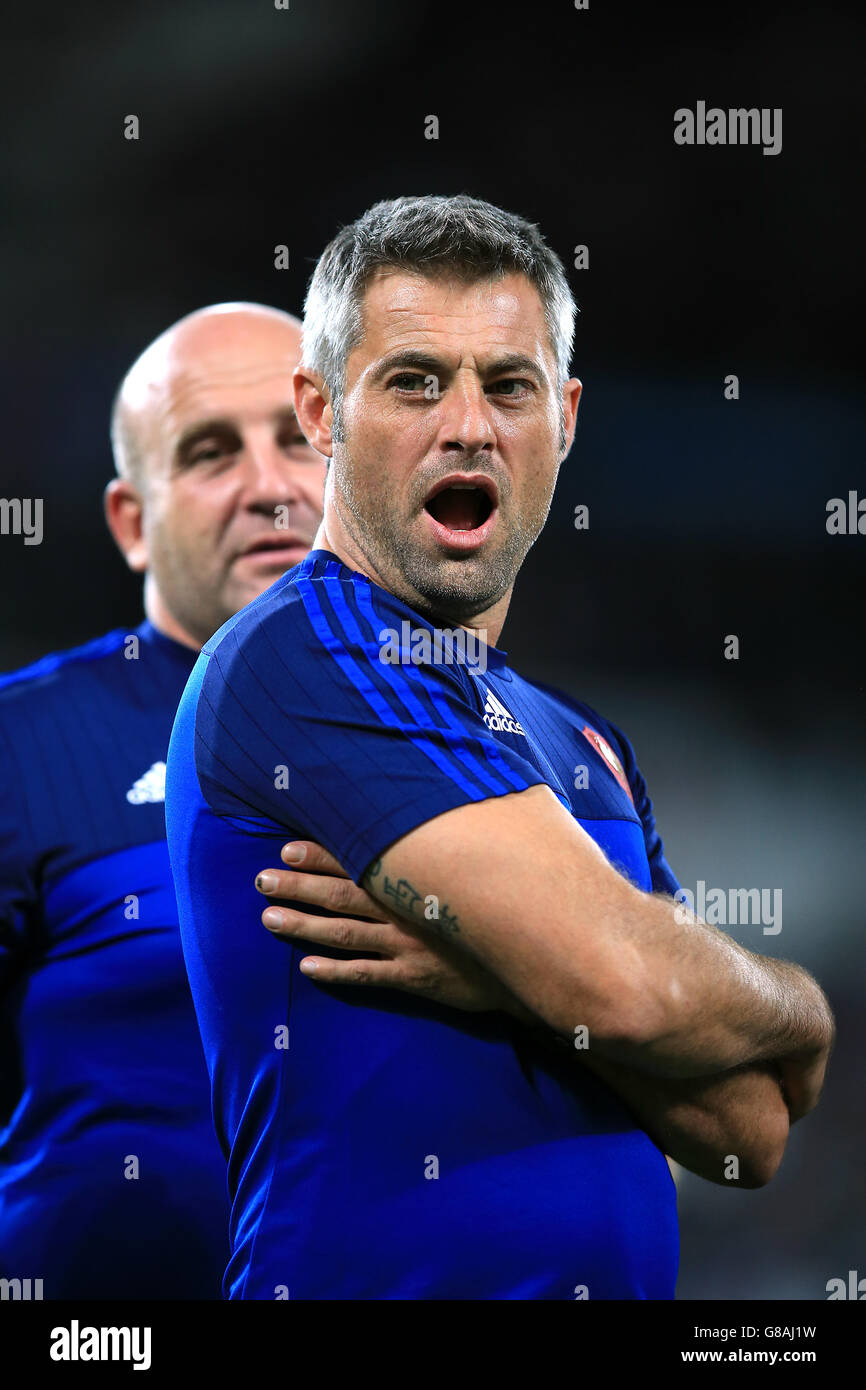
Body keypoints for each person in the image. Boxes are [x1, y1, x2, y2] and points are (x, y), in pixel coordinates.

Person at [166, 198, 834, 1301]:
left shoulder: (582, 743)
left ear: (563, 419)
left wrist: (509, 981)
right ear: (320, 412)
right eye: (415, 381)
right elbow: (630, 990)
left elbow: (744, 1131)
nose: (468, 424)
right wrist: (792, 1008)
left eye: (507, 385)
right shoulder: (306, 654)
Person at [0, 302, 326, 1298]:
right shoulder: (25, 743)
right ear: (132, 521)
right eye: (211, 452)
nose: (268, 486)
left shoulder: (473, 735)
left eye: (300, 441)